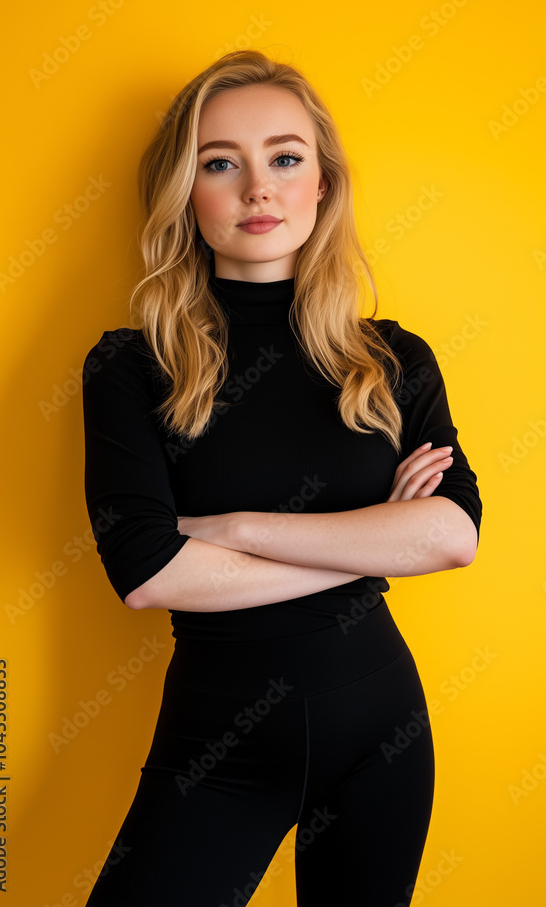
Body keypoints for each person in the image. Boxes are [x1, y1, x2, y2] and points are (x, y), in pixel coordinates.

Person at [81, 49, 482, 906]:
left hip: (383, 731)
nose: (257, 188)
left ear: (322, 185)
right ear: (186, 194)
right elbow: (149, 574)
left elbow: (451, 535)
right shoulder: (131, 366)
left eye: (284, 158)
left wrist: (232, 530)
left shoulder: (391, 359)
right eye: (220, 163)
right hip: (218, 744)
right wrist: (375, 538)